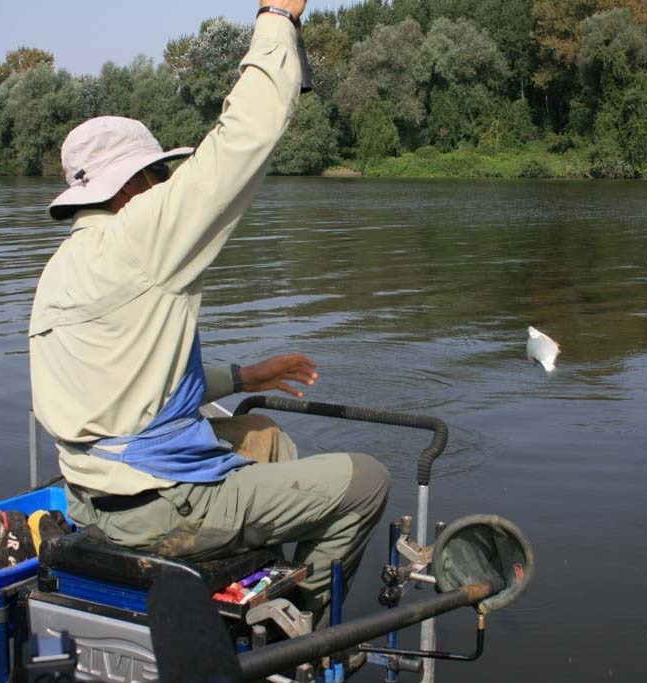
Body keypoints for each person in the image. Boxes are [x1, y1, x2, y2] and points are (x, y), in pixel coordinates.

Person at [28, 0, 389, 622]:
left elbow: (131, 390)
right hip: (160, 511)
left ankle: (259, 591)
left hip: (91, 498)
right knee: (366, 479)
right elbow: (243, 139)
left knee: (264, 437)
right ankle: (301, 627)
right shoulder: (139, 234)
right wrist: (279, 16)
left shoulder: (61, 269)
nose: (163, 186)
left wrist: (247, 378)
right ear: (133, 185)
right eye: (155, 175)